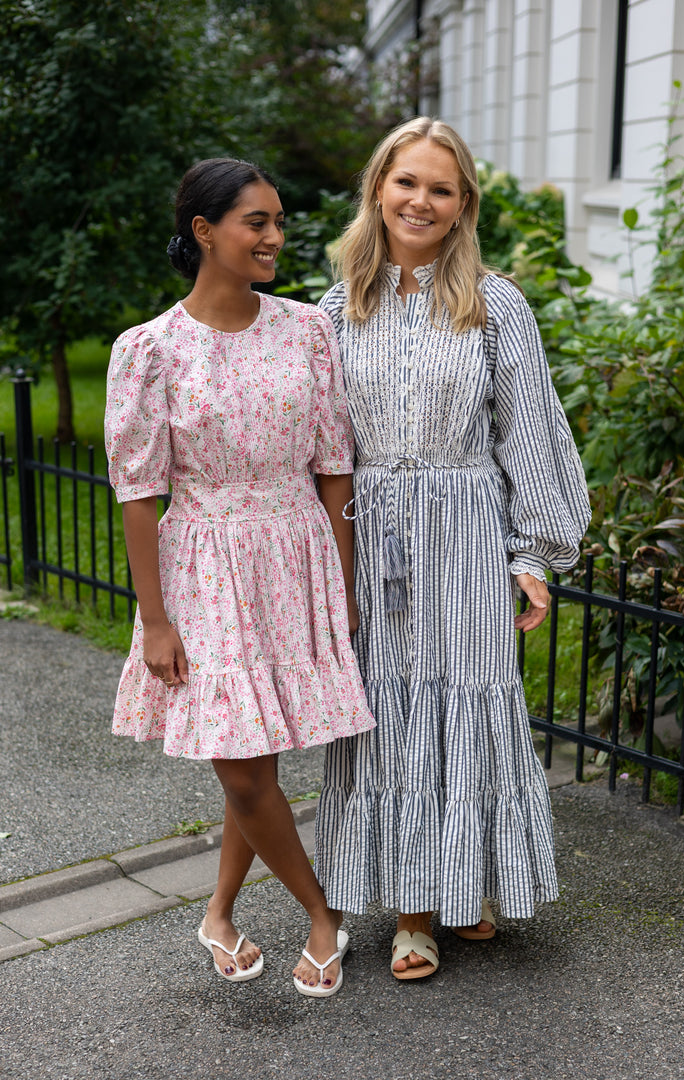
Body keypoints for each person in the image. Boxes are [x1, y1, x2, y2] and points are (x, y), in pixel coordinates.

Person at [313, 117, 591, 980]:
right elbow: (315, 446)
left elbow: (530, 436)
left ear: (463, 201)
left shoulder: (494, 302)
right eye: (406, 183)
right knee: (392, 714)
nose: (420, 201)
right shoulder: (334, 307)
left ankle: (465, 885)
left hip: (465, 533)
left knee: (469, 703)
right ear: (378, 190)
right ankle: (414, 914)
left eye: (440, 187)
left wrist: (533, 554)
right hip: (374, 535)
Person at [104, 157, 376, 998]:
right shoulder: (149, 350)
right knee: (243, 762)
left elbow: (336, 466)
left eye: (278, 222)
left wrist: (341, 577)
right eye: (256, 221)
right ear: (204, 231)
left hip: (294, 554)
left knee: (251, 753)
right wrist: (155, 620)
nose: (274, 237)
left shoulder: (306, 329)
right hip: (206, 564)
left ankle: (217, 913)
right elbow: (139, 494)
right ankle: (322, 916)